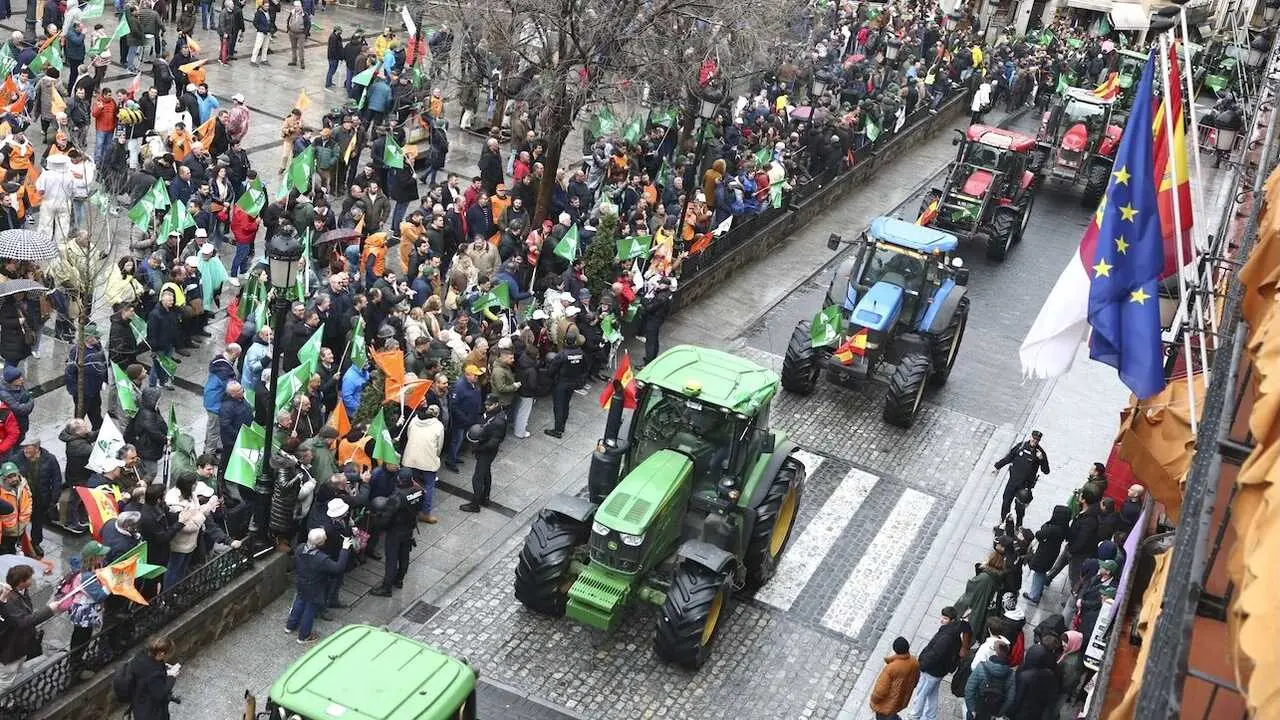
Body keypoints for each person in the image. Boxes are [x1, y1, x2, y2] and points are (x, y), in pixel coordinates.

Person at [0, 565, 66, 688]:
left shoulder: (21, 592)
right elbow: (23, 622)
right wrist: (49, 610)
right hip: (10, 648)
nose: (32, 580)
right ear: (21, 582)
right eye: (29, 578)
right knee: (6, 680)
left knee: (15, 671)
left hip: (20, 645)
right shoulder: (9, 600)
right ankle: (4, 704)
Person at [287, 527, 351, 643]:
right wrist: (345, 550)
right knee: (310, 610)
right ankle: (303, 636)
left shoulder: (300, 548)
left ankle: (290, 626)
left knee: (299, 602)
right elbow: (338, 568)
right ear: (321, 543)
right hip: (315, 588)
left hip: (301, 583)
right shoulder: (321, 559)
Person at [908, 606, 972, 720]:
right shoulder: (954, 629)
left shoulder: (947, 636)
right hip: (939, 670)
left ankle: (915, 715)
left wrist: (921, 665)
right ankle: (930, 716)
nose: (942, 620)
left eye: (945, 618)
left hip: (933, 670)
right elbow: (966, 627)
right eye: (942, 617)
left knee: (922, 693)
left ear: (951, 620)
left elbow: (936, 654)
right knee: (932, 694)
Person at [368, 472, 422, 596]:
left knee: (391, 559)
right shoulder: (418, 490)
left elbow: (387, 517)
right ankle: (399, 579)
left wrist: (378, 521)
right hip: (409, 527)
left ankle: (386, 587)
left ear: (399, 480)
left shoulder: (396, 497)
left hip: (395, 531)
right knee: (404, 555)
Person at [9, 439, 61, 557]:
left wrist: (54, 499)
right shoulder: (16, 459)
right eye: (25, 448)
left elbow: (56, 479)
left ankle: (36, 543)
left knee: (38, 523)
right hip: (22, 500)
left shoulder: (50, 459)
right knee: (20, 523)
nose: (25, 450)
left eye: (28, 448)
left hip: (41, 499)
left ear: (37, 448)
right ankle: (19, 544)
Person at [460, 397, 506, 513]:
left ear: (496, 404)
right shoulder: (492, 414)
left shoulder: (498, 421)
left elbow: (494, 442)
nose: (487, 407)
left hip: (486, 451)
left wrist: (479, 449)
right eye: (486, 405)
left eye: (489, 405)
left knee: (478, 478)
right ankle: (485, 497)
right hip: (484, 447)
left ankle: (475, 505)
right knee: (486, 473)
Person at [992, 430, 1049, 522]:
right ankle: (1004, 521)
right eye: (1034, 438)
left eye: (1037, 440)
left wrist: (1042, 459)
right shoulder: (1021, 446)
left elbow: (1046, 471)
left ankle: (1018, 524)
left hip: (1025, 485)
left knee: (1020, 507)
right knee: (1006, 502)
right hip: (1013, 481)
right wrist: (997, 466)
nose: (1035, 441)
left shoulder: (1040, 452)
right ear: (1030, 437)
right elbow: (1009, 457)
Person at [120, 636, 181, 720]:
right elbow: (160, 694)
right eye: (168, 655)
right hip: (151, 712)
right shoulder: (154, 674)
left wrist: (165, 669)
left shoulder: (141, 655)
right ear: (162, 654)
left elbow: (147, 672)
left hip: (139, 704)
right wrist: (172, 677)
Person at [400, 405, 443, 523]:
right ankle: (425, 513)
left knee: (411, 484)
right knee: (429, 485)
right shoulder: (438, 425)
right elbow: (439, 447)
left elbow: (409, 435)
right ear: (437, 415)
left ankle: (411, 509)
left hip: (411, 457)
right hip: (428, 460)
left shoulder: (414, 420)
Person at [544, 327, 586, 438]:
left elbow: (552, 370)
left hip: (561, 383)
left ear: (565, 341)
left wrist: (550, 377)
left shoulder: (562, 355)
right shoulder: (581, 353)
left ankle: (557, 430)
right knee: (566, 405)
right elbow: (584, 368)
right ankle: (562, 425)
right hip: (573, 383)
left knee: (558, 406)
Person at [65, 322, 108, 428]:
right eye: (95, 336)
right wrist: (75, 391)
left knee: (97, 417)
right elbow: (69, 373)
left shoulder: (98, 347)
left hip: (95, 391)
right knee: (79, 421)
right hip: (83, 393)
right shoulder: (76, 351)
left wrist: (104, 380)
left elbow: (103, 365)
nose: (98, 338)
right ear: (88, 338)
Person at [1024, 505, 1070, 604]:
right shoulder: (1064, 528)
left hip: (1044, 554)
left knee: (1038, 572)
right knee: (1042, 572)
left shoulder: (1053, 528)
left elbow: (1039, 534)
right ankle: (1038, 591)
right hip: (1052, 553)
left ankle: (1034, 595)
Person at [963, 638, 1015, 720]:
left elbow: (969, 689)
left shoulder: (981, 667)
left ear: (995, 652)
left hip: (977, 707)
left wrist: (971, 708)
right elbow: (1010, 698)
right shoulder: (1011, 674)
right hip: (993, 710)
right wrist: (998, 714)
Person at [870, 636, 920, 720]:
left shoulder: (891, 668)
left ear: (895, 650)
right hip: (901, 700)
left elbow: (880, 690)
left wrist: (874, 700)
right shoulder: (914, 662)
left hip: (887, 704)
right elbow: (915, 681)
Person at [444, 365, 482, 471]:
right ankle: (450, 461)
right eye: (475, 375)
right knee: (456, 440)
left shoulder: (474, 384)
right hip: (461, 421)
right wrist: (464, 418)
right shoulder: (459, 387)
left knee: (460, 440)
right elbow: (454, 406)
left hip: (469, 418)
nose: (477, 377)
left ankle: (454, 457)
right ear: (467, 375)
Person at [0, 461, 32, 555]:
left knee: (14, 549)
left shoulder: (24, 486)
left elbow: (28, 499)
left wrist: (25, 519)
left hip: (20, 528)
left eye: (15, 475)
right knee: (6, 553)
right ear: (4, 478)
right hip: (7, 532)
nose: (13, 479)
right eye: (9, 477)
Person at [0, 366, 32, 444]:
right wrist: (31, 402)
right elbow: (20, 410)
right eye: (19, 378)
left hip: (22, 422)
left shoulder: (18, 385)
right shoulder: (5, 395)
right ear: (12, 381)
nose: (22, 379)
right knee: (16, 441)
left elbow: (25, 394)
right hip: (15, 423)